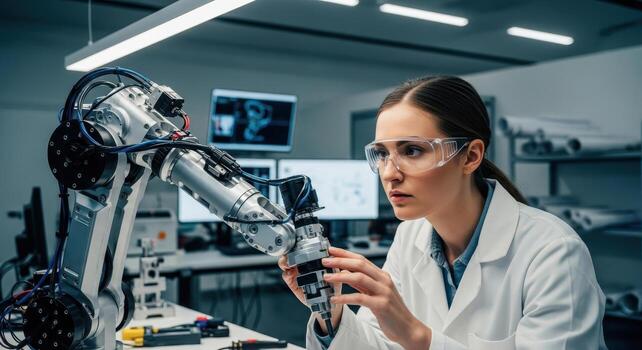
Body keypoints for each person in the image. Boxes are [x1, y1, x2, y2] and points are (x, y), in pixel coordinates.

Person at [278, 76, 607, 349]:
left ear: (470, 156)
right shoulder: (411, 235)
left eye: (412, 150)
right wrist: (328, 312)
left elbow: (411, 339)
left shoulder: (553, 252)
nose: (389, 172)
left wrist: (417, 337)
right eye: (381, 154)